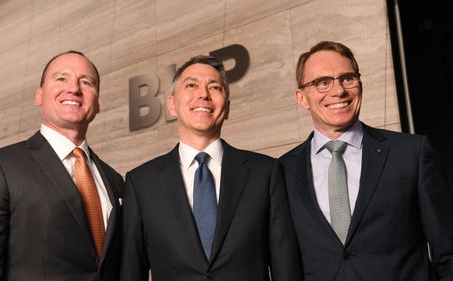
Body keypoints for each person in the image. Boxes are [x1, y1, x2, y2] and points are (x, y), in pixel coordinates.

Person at [279, 40, 453, 280]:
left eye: (347, 78)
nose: (338, 91)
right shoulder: (283, 171)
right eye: (322, 83)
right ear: (302, 98)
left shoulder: (412, 153)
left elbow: (448, 248)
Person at [120, 55, 302, 281]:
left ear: (226, 108)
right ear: (172, 105)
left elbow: (285, 266)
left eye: (214, 87)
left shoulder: (265, 172)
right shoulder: (141, 183)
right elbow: (131, 272)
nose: (203, 94)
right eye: (191, 85)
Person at [0, 51, 124, 281]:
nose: (74, 88)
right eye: (61, 78)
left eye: (86, 82)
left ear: (98, 102)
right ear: (39, 96)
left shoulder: (115, 180)